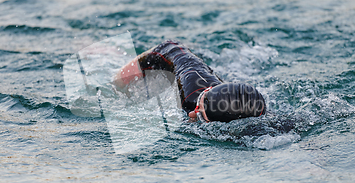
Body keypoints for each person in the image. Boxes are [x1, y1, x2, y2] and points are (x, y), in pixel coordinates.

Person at [114, 41, 266, 123]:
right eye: (198, 105)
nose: (192, 113)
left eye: (200, 116)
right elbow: (169, 48)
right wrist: (119, 82)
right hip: (184, 61)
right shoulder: (192, 89)